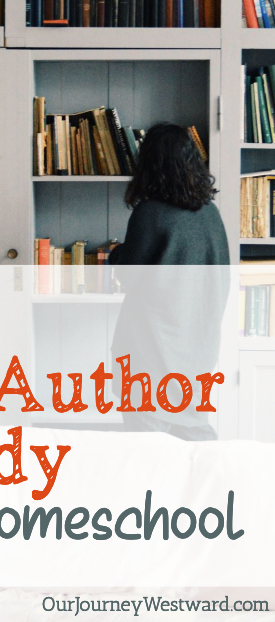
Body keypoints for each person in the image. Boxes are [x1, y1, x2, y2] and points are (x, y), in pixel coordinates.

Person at [109, 122, 230, 440]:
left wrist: (116, 254)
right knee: (193, 438)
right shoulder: (210, 214)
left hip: (152, 351)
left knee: (149, 448)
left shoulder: (150, 213)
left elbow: (128, 275)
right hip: (198, 351)